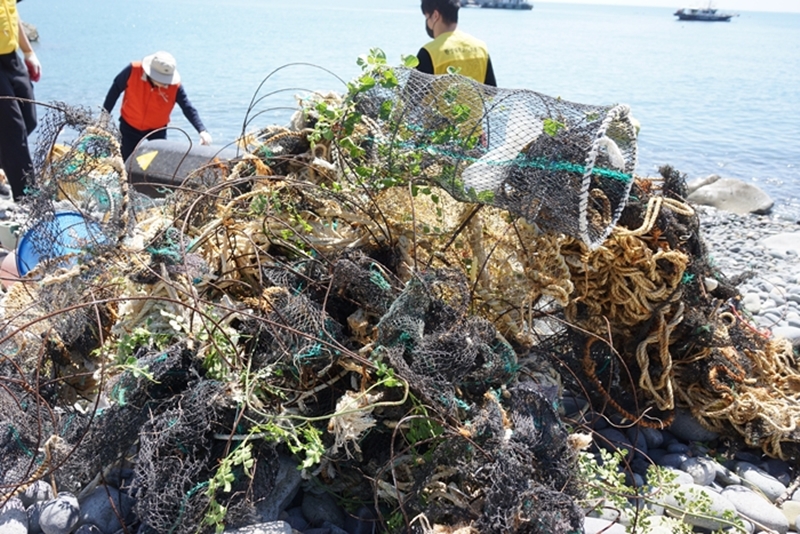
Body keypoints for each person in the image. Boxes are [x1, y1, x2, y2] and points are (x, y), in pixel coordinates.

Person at [103, 51, 212, 161]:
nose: (165, 84)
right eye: (162, 80)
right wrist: (105, 116)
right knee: (125, 161)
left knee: (158, 162)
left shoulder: (175, 86)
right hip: (129, 125)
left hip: (157, 130)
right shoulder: (133, 70)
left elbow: (188, 108)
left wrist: (202, 131)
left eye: (167, 80)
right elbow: (115, 90)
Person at [0, 0, 41, 200]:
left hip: (11, 57)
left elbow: (12, 14)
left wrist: (28, 51)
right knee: (13, 130)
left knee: (29, 119)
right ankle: (29, 199)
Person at [417, 0, 496, 86]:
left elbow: (410, 96)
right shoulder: (481, 48)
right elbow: (492, 91)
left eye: (427, 17)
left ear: (435, 15)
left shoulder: (428, 52)